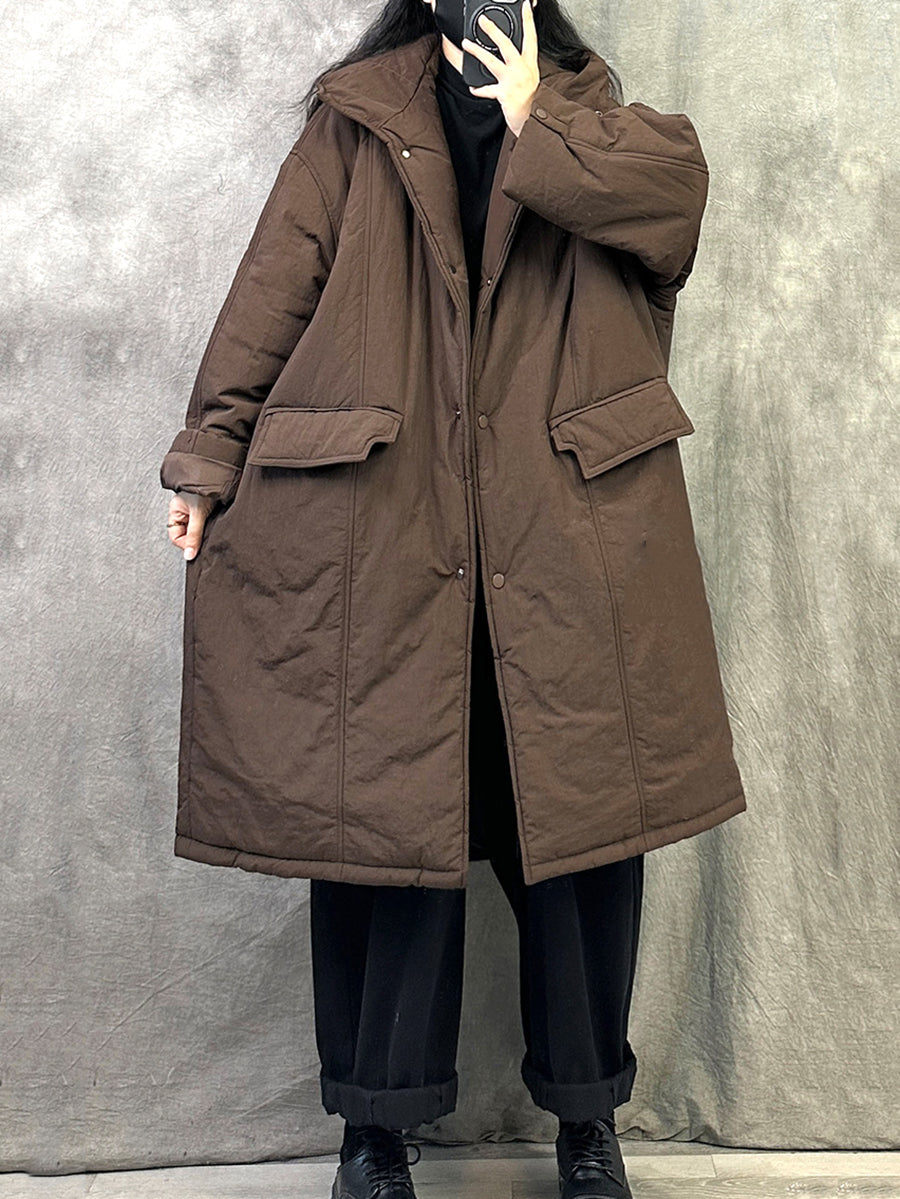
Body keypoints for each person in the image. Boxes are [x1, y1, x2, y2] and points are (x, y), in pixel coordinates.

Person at [162, 2, 746, 1196]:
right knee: (383, 830)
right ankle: (374, 1131)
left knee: (579, 839)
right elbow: (272, 294)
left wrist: (537, 119)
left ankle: (588, 1120)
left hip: (563, 537)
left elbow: (674, 213)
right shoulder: (354, 122)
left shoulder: (596, 112)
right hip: (389, 534)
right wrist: (208, 457)